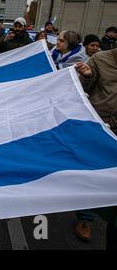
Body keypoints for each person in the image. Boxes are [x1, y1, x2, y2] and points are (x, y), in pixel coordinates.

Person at [75, 48, 117, 248]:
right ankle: (86, 218)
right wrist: (87, 76)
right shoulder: (100, 59)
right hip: (100, 127)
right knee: (93, 176)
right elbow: (78, 88)